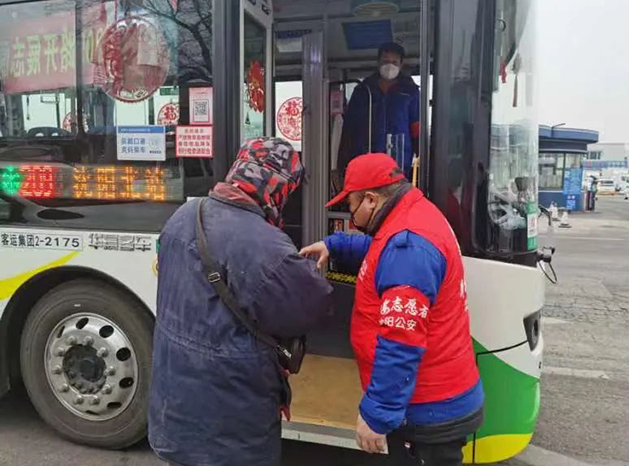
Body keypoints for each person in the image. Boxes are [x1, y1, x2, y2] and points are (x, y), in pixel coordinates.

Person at [149, 137, 333, 466]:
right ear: (277, 186)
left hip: (172, 407)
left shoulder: (185, 214)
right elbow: (310, 307)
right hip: (231, 422)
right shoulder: (264, 244)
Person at [300, 154, 484, 466]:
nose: (352, 217)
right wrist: (336, 245)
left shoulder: (409, 248)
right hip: (435, 395)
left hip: (428, 409)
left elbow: (401, 342)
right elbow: (380, 250)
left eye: (352, 207)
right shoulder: (413, 215)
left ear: (371, 200)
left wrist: (377, 414)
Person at [336, 42, 420, 181]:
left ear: (401, 64)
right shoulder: (363, 90)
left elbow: (417, 128)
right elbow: (349, 128)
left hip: (397, 162)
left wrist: (422, 159)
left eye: (394, 62)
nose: (389, 66)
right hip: (365, 160)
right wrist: (343, 162)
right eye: (386, 61)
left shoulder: (410, 92)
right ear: (378, 62)